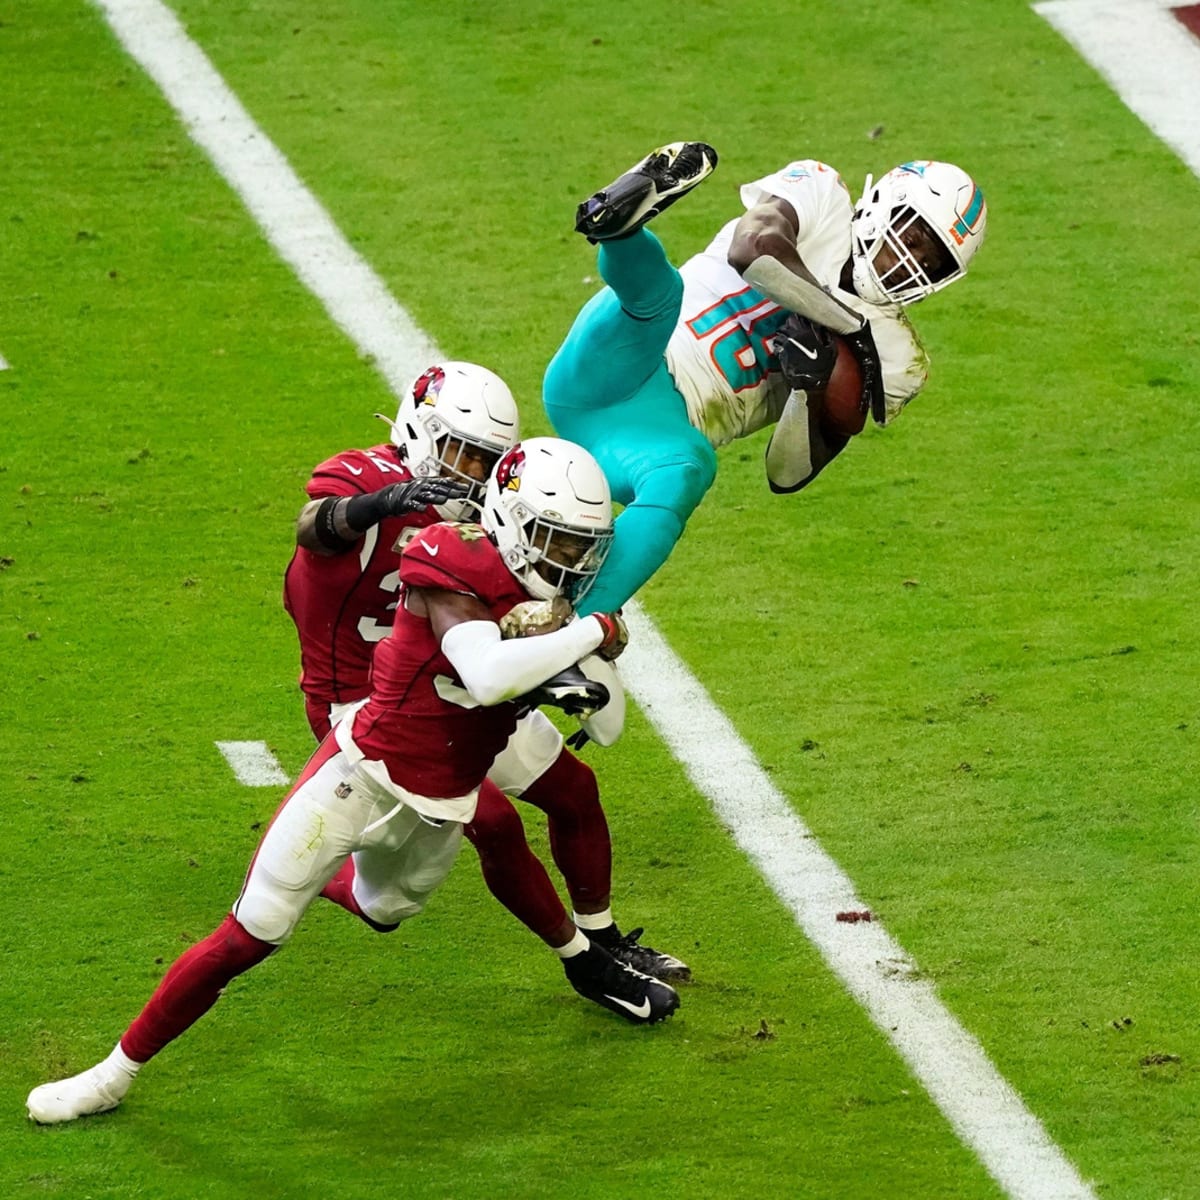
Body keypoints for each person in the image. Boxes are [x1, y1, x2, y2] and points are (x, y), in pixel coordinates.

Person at [27, 437, 680, 1126]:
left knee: (385, 912)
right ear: (513, 518)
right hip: (359, 776)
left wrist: (572, 658)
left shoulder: (547, 609)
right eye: (558, 541)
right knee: (250, 934)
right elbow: (485, 672)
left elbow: (607, 729)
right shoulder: (450, 554)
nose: (569, 563)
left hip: (439, 808)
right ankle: (111, 1074)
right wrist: (592, 632)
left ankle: (346, 884)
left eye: (582, 548)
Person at [283, 361, 688, 995]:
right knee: (478, 836)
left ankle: (605, 938)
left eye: (485, 461)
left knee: (575, 791)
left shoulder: (488, 521)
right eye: (459, 453)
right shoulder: (370, 479)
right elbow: (316, 527)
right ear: (420, 427)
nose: (467, 475)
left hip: (464, 683)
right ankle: (583, 962)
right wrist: (378, 506)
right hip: (367, 704)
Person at [545, 141, 988, 615]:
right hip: (611, 365)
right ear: (882, 203)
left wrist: (808, 388)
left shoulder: (899, 361)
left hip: (658, 433)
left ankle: (574, 623)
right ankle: (619, 225)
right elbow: (753, 250)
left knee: (688, 471)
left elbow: (788, 474)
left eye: (932, 261)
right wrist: (847, 327)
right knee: (660, 297)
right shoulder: (823, 193)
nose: (910, 261)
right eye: (914, 235)